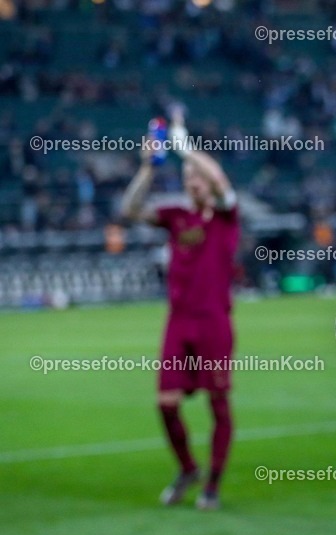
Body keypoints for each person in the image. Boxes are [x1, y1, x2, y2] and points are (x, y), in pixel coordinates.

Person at [121, 108, 239, 510]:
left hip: (214, 323)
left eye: (197, 176)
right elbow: (130, 209)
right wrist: (147, 168)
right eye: (187, 177)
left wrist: (184, 145)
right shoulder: (177, 216)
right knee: (165, 403)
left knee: (217, 403)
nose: (192, 182)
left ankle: (213, 483)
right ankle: (189, 467)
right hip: (179, 322)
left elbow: (222, 182)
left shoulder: (226, 214)